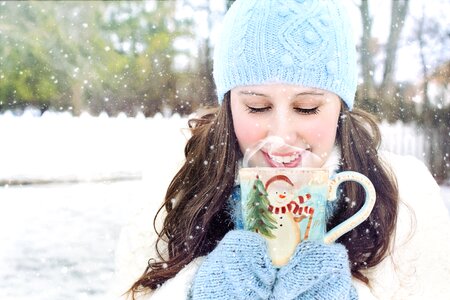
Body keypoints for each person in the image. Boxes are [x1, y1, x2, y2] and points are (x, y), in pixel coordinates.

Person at [113, 0, 450, 299]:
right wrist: (193, 289)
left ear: (340, 107)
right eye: (257, 107)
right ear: (229, 106)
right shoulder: (177, 186)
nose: (282, 134)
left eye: (307, 108)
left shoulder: (405, 199)